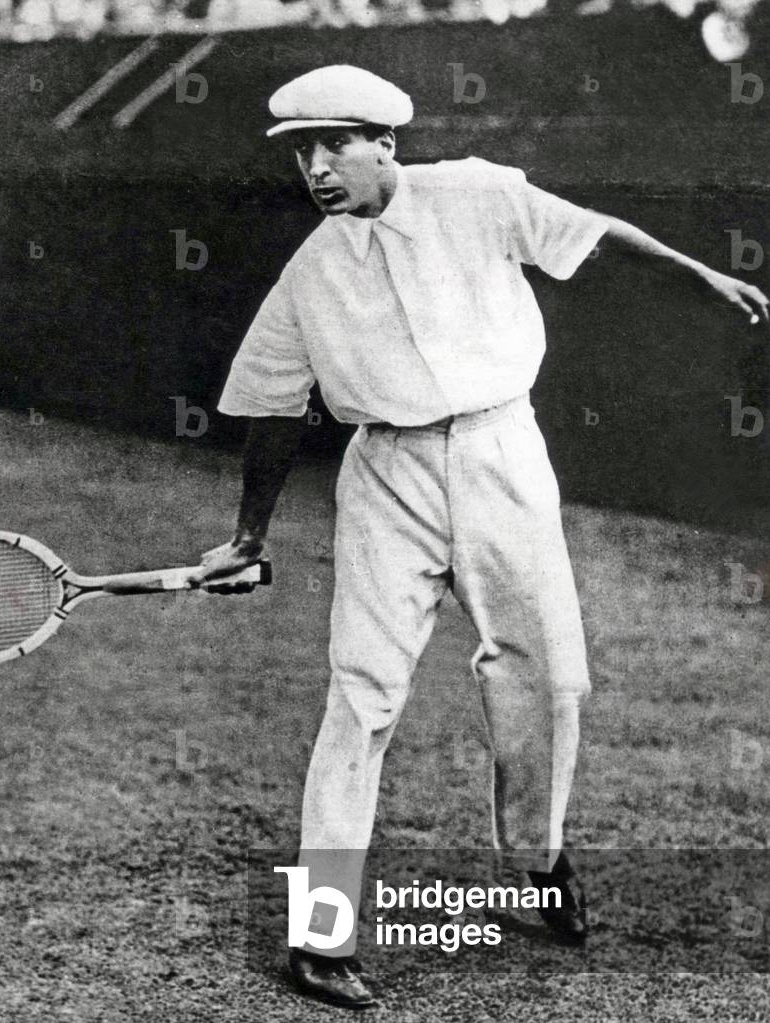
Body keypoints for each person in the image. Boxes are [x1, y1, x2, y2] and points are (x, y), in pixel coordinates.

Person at [198, 65, 768, 1009]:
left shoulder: (478, 192)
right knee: (362, 694)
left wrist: (700, 273)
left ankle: (539, 857)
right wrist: (247, 534)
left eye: (335, 144)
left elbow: (594, 236)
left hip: (504, 451)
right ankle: (321, 932)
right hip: (387, 478)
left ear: (385, 142)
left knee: (548, 676)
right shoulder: (310, 270)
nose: (318, 168)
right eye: (303, 153)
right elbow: (271, 405)